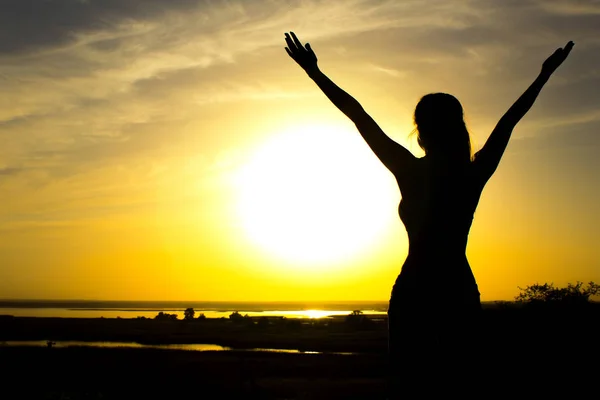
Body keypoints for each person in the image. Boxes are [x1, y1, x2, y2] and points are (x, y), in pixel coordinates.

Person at [284, 32, 574, 395]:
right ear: (458, 127)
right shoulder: (471, 173)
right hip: (453, 287)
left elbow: (359, 116)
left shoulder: (410, 170)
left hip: (416, 289)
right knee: (459, 381)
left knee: (412, 384)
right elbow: (509, 120)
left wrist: (315, 73)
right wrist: (543, 76)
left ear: (420, 131)